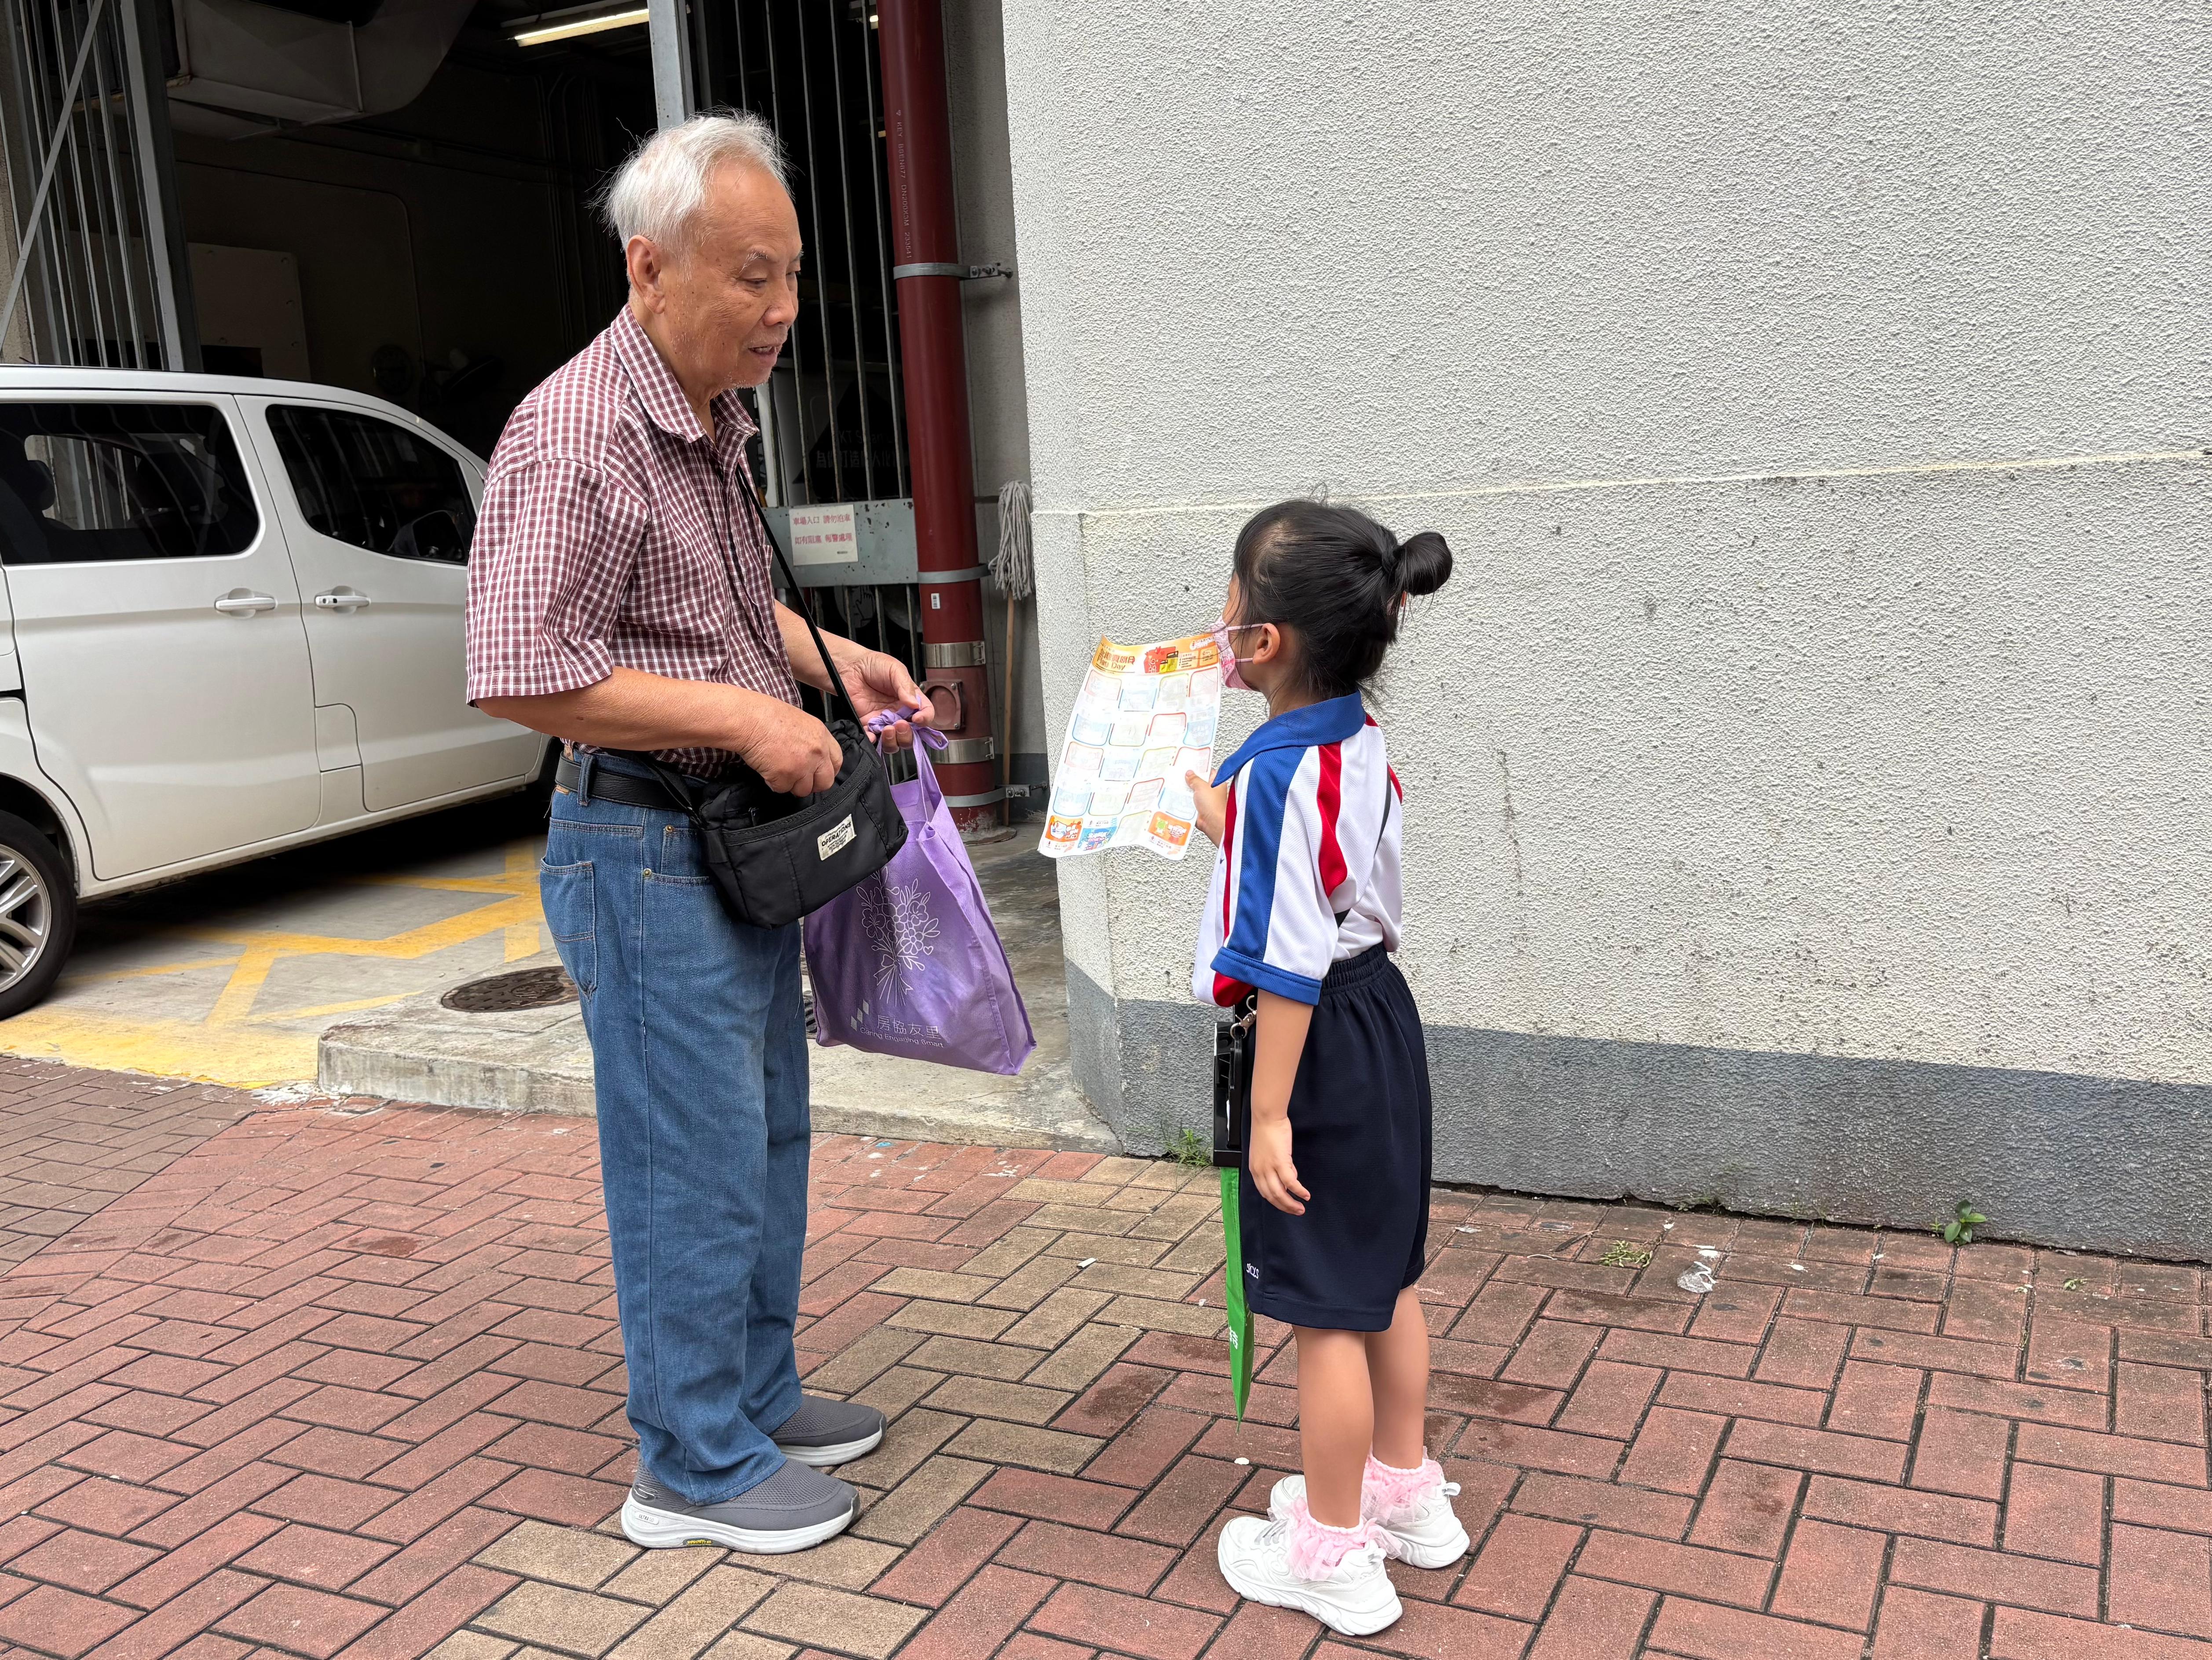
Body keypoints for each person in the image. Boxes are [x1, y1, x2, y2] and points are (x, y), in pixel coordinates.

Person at [465, 113, 932, 1555]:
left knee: (763, 1138)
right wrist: (742, 719)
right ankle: (688, 1465)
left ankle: (755, 1395)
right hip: (642, 851)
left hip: (721, 848)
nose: (782, 310)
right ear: (649, 266)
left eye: (791, 274)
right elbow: (521, 668)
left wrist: (833, 662)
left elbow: (712, 606)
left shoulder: (704, 411)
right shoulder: (577, 435)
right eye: (750, 276)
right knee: (690, 1162)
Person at [1182, 499, 1461, 1636]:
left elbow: (1285, 959)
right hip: (1380, 1020)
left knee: (1325, 1313)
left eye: (1229, 603)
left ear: (1263, 642)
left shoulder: (1272, 774)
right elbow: (1326, 874)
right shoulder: (1354, 739)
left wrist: (1268, 1116)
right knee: (1385, 1275)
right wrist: (1227, 826)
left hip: (1310, 1046)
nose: (1217, 621)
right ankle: (1407, 1491)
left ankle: (1332, 1552)